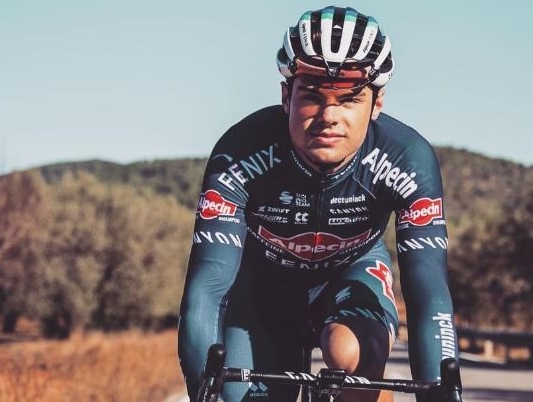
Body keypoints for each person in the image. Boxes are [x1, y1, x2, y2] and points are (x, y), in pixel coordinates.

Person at [178, 6, 458, 402]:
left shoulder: (407, 160)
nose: (329, 116)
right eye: (312, 96)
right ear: (286, 95)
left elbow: (429, 291)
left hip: (351, 276)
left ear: (376, 104)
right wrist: (202, 392)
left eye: (349, 100)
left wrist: (444, 396)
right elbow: (206, 288)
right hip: (263, 290)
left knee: (347, 351)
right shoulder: (239, 153)